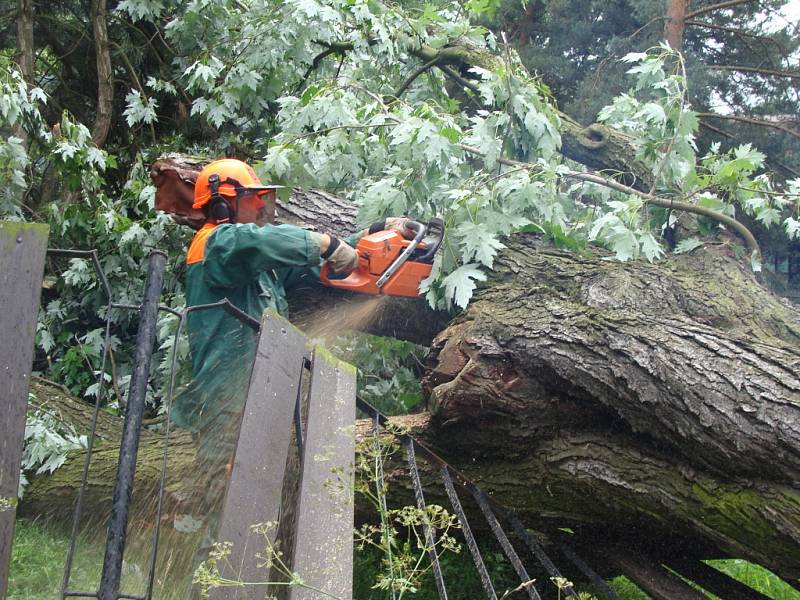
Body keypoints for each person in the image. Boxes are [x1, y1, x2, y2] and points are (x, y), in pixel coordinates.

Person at [170, 158, 409, 585]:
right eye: (254, 200)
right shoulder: (217, 244)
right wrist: (325, 241)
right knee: (226, 518)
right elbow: (276, 244)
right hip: (227, 404)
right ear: (224, 206)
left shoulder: (252, 263)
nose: (262, 208)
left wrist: (372, 233)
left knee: (258, 513)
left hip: (256, 396)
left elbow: (303, 265)